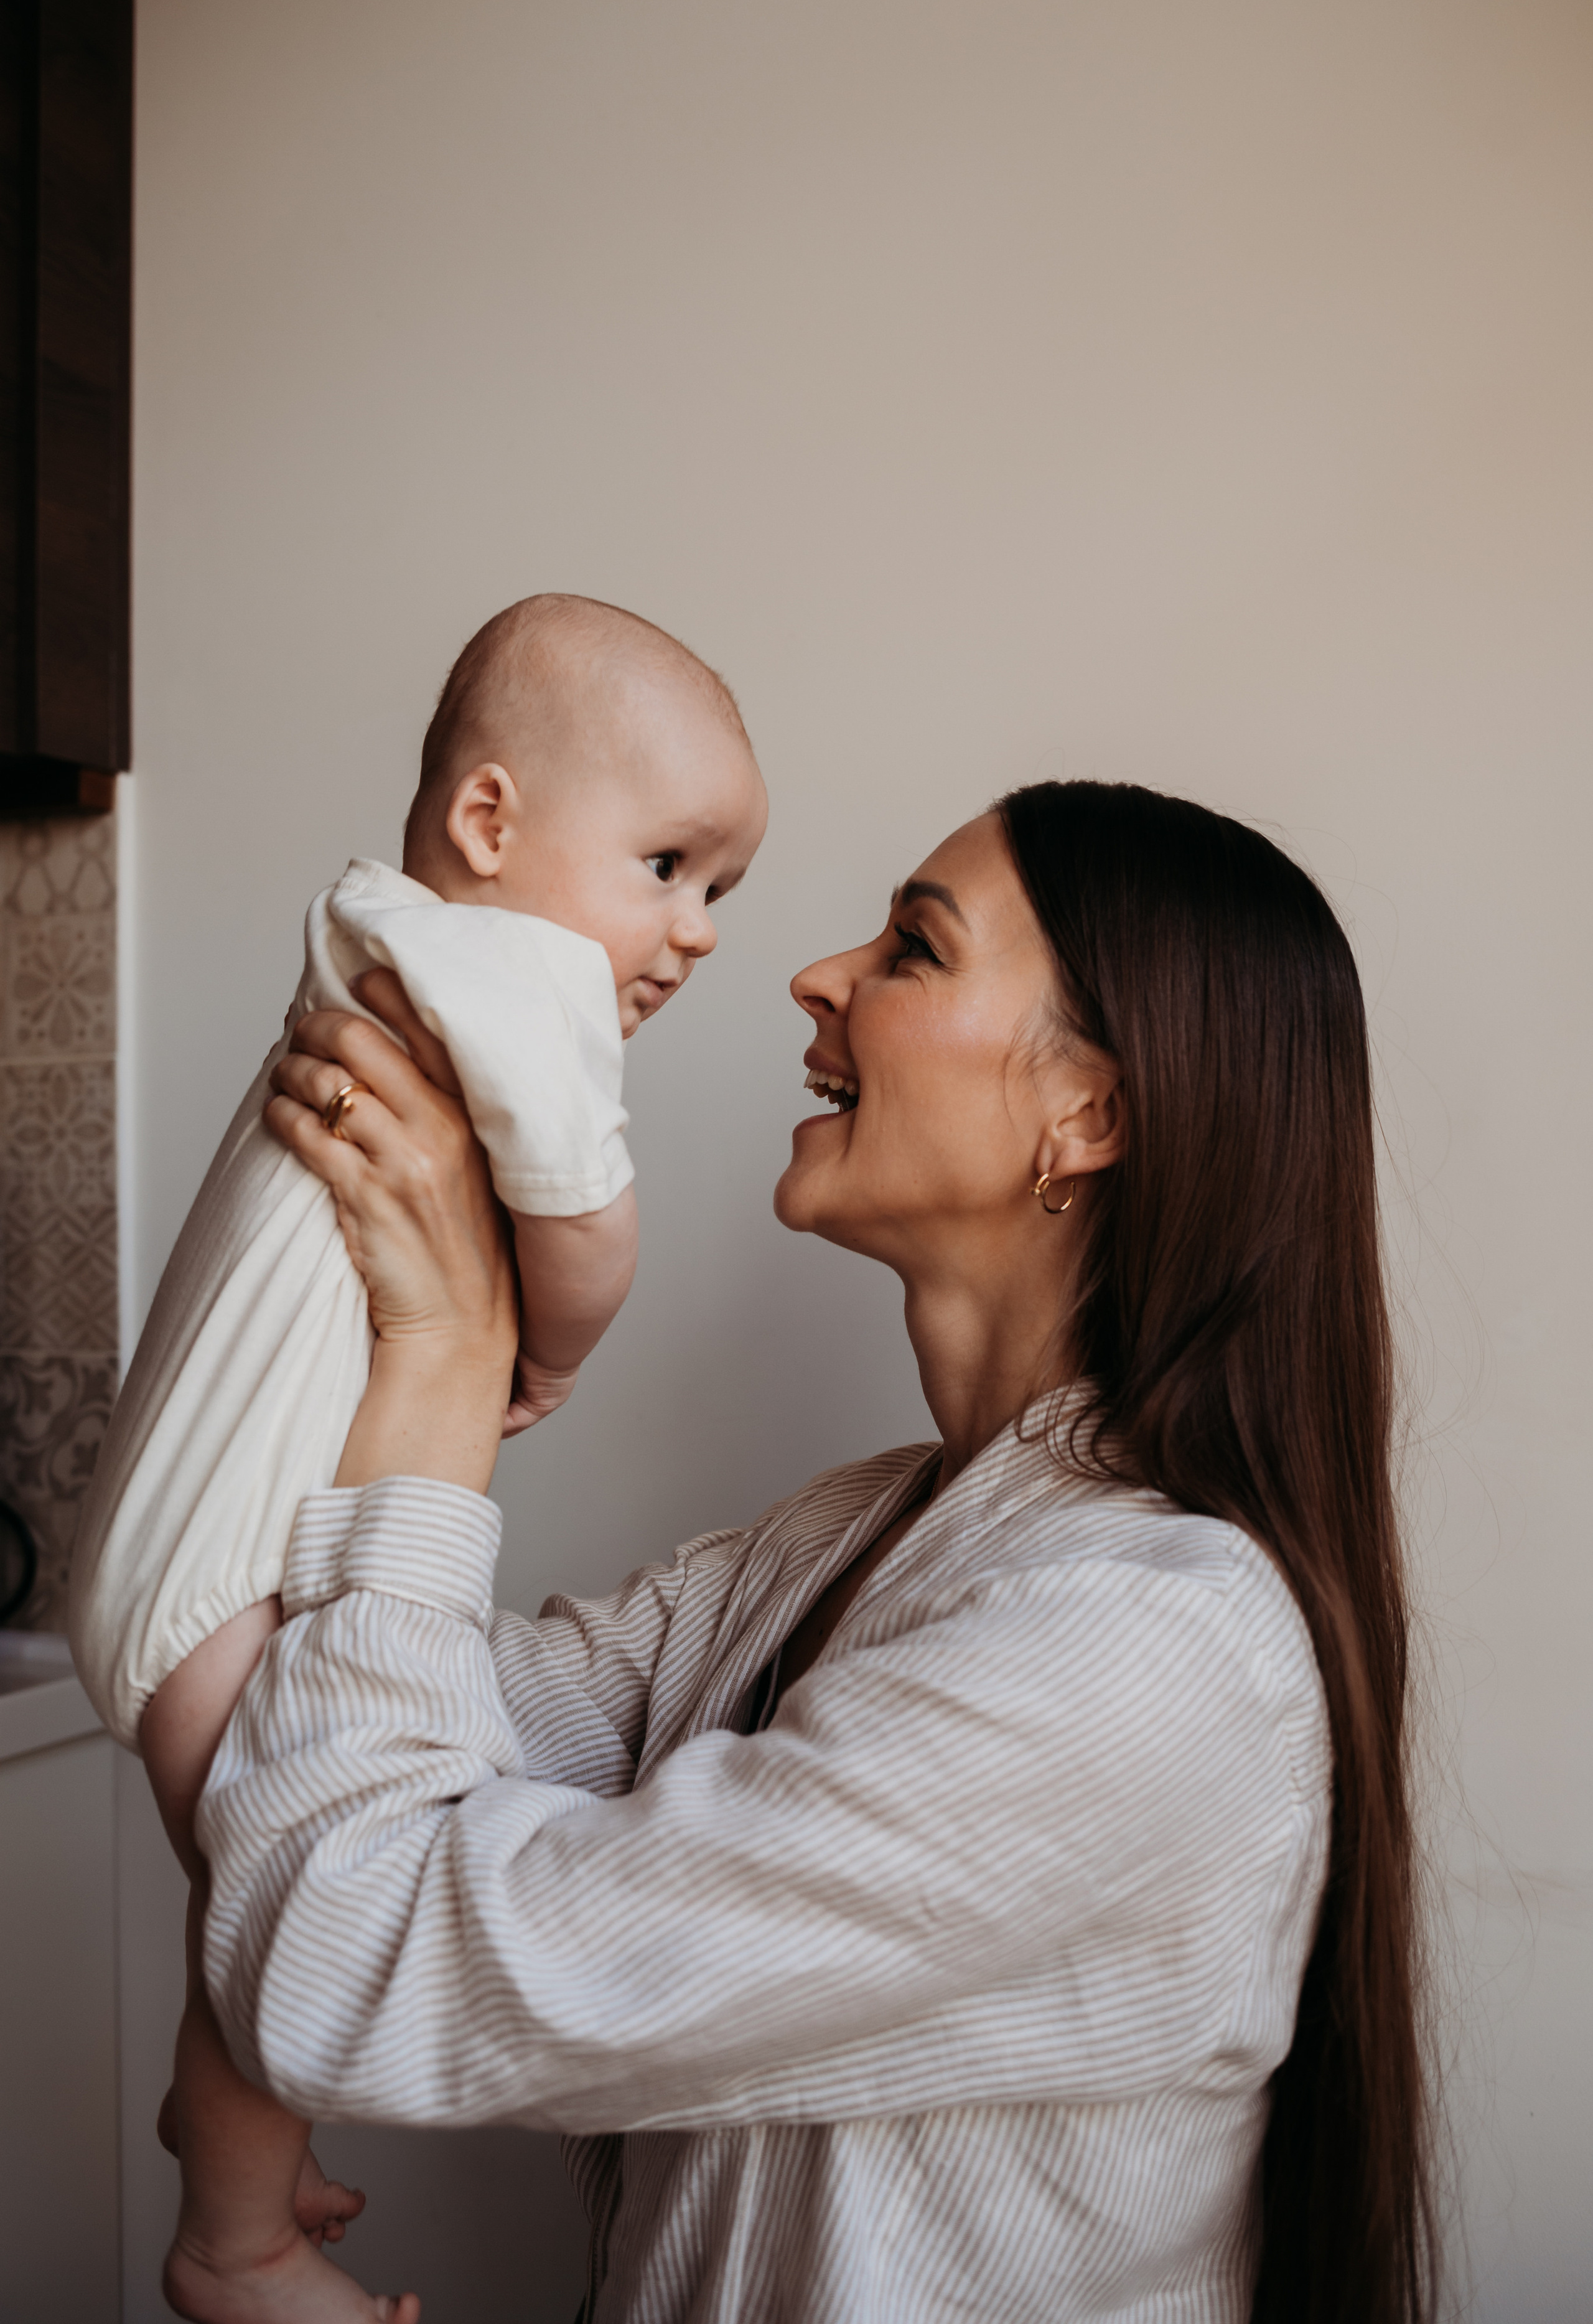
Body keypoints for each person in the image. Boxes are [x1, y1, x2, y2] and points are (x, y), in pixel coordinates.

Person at [169, 780, 1437, 2323]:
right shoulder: (857, 1532)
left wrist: (448, 1349)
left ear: (1087, 1115)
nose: (814, 975)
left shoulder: (1144, 1655)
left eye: (912, 948)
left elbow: (345, 1969)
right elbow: (293, 1745)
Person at [73, 594, 767, 2324]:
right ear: (492, 826)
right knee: (287, 1905)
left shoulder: (385, 940)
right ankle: (233, 2246)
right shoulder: (512, 972)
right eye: (671, 864)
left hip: (176, 1542)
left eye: (718, 892)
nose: (694, 934)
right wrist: (550, 1343)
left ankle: (224, 2133)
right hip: (225, 1558)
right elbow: (588, 1224)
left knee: (267, 1877)